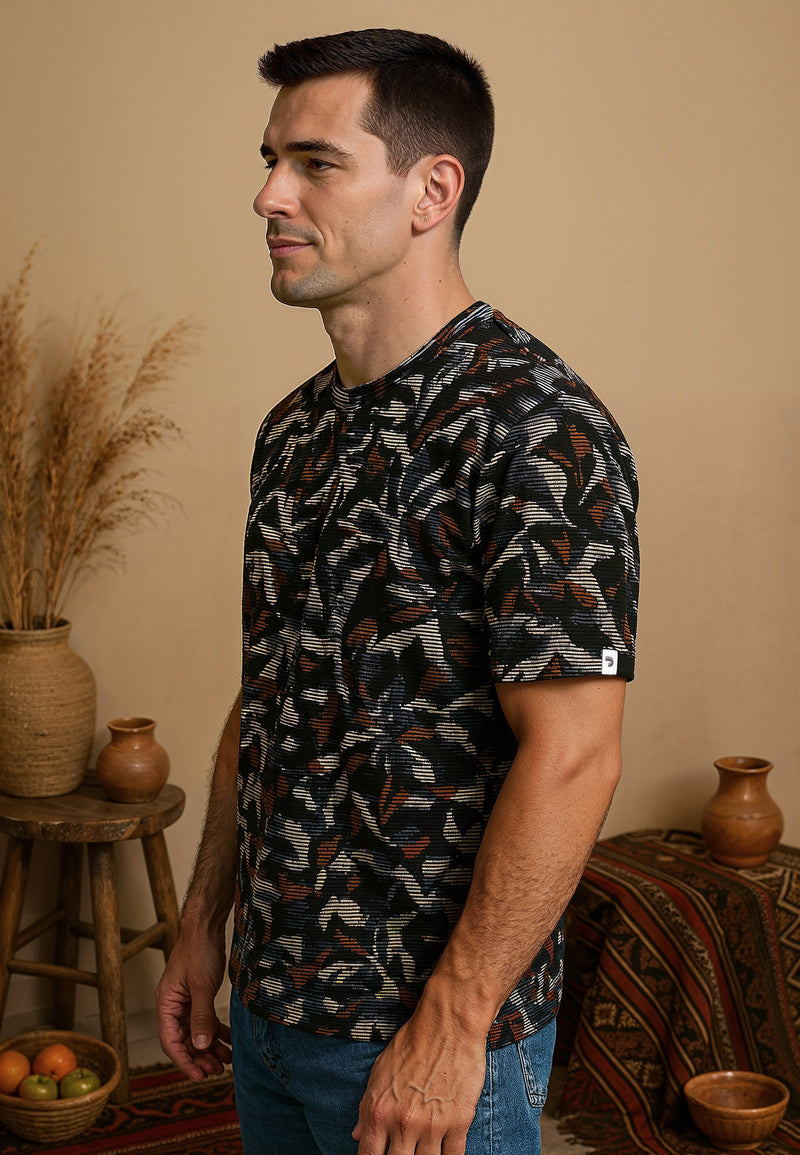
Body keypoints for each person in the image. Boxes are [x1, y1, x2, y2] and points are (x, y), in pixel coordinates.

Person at [156, 27, 639, 1155]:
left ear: (432, 190)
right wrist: (203, 919)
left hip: (420, 1042)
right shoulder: (293, 431)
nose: (269, 195)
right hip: (272, 1011)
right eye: (271, 160)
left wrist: (453, 1024)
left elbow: (575, 755)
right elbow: (269, 695)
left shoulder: (536, 428)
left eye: (316, 163)